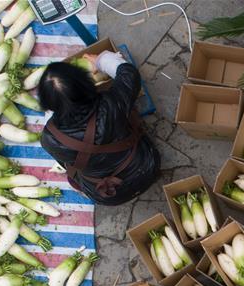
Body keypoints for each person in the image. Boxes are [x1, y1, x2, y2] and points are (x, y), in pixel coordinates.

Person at [37, 51, 160, 205]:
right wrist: (101, 60)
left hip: (107, 195)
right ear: (87, 83)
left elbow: (65, 164)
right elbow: (129, 73)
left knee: (72, 177)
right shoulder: (112, 103)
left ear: (47, 104)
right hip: (147, 168)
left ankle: (83, 190)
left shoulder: (49, 138)